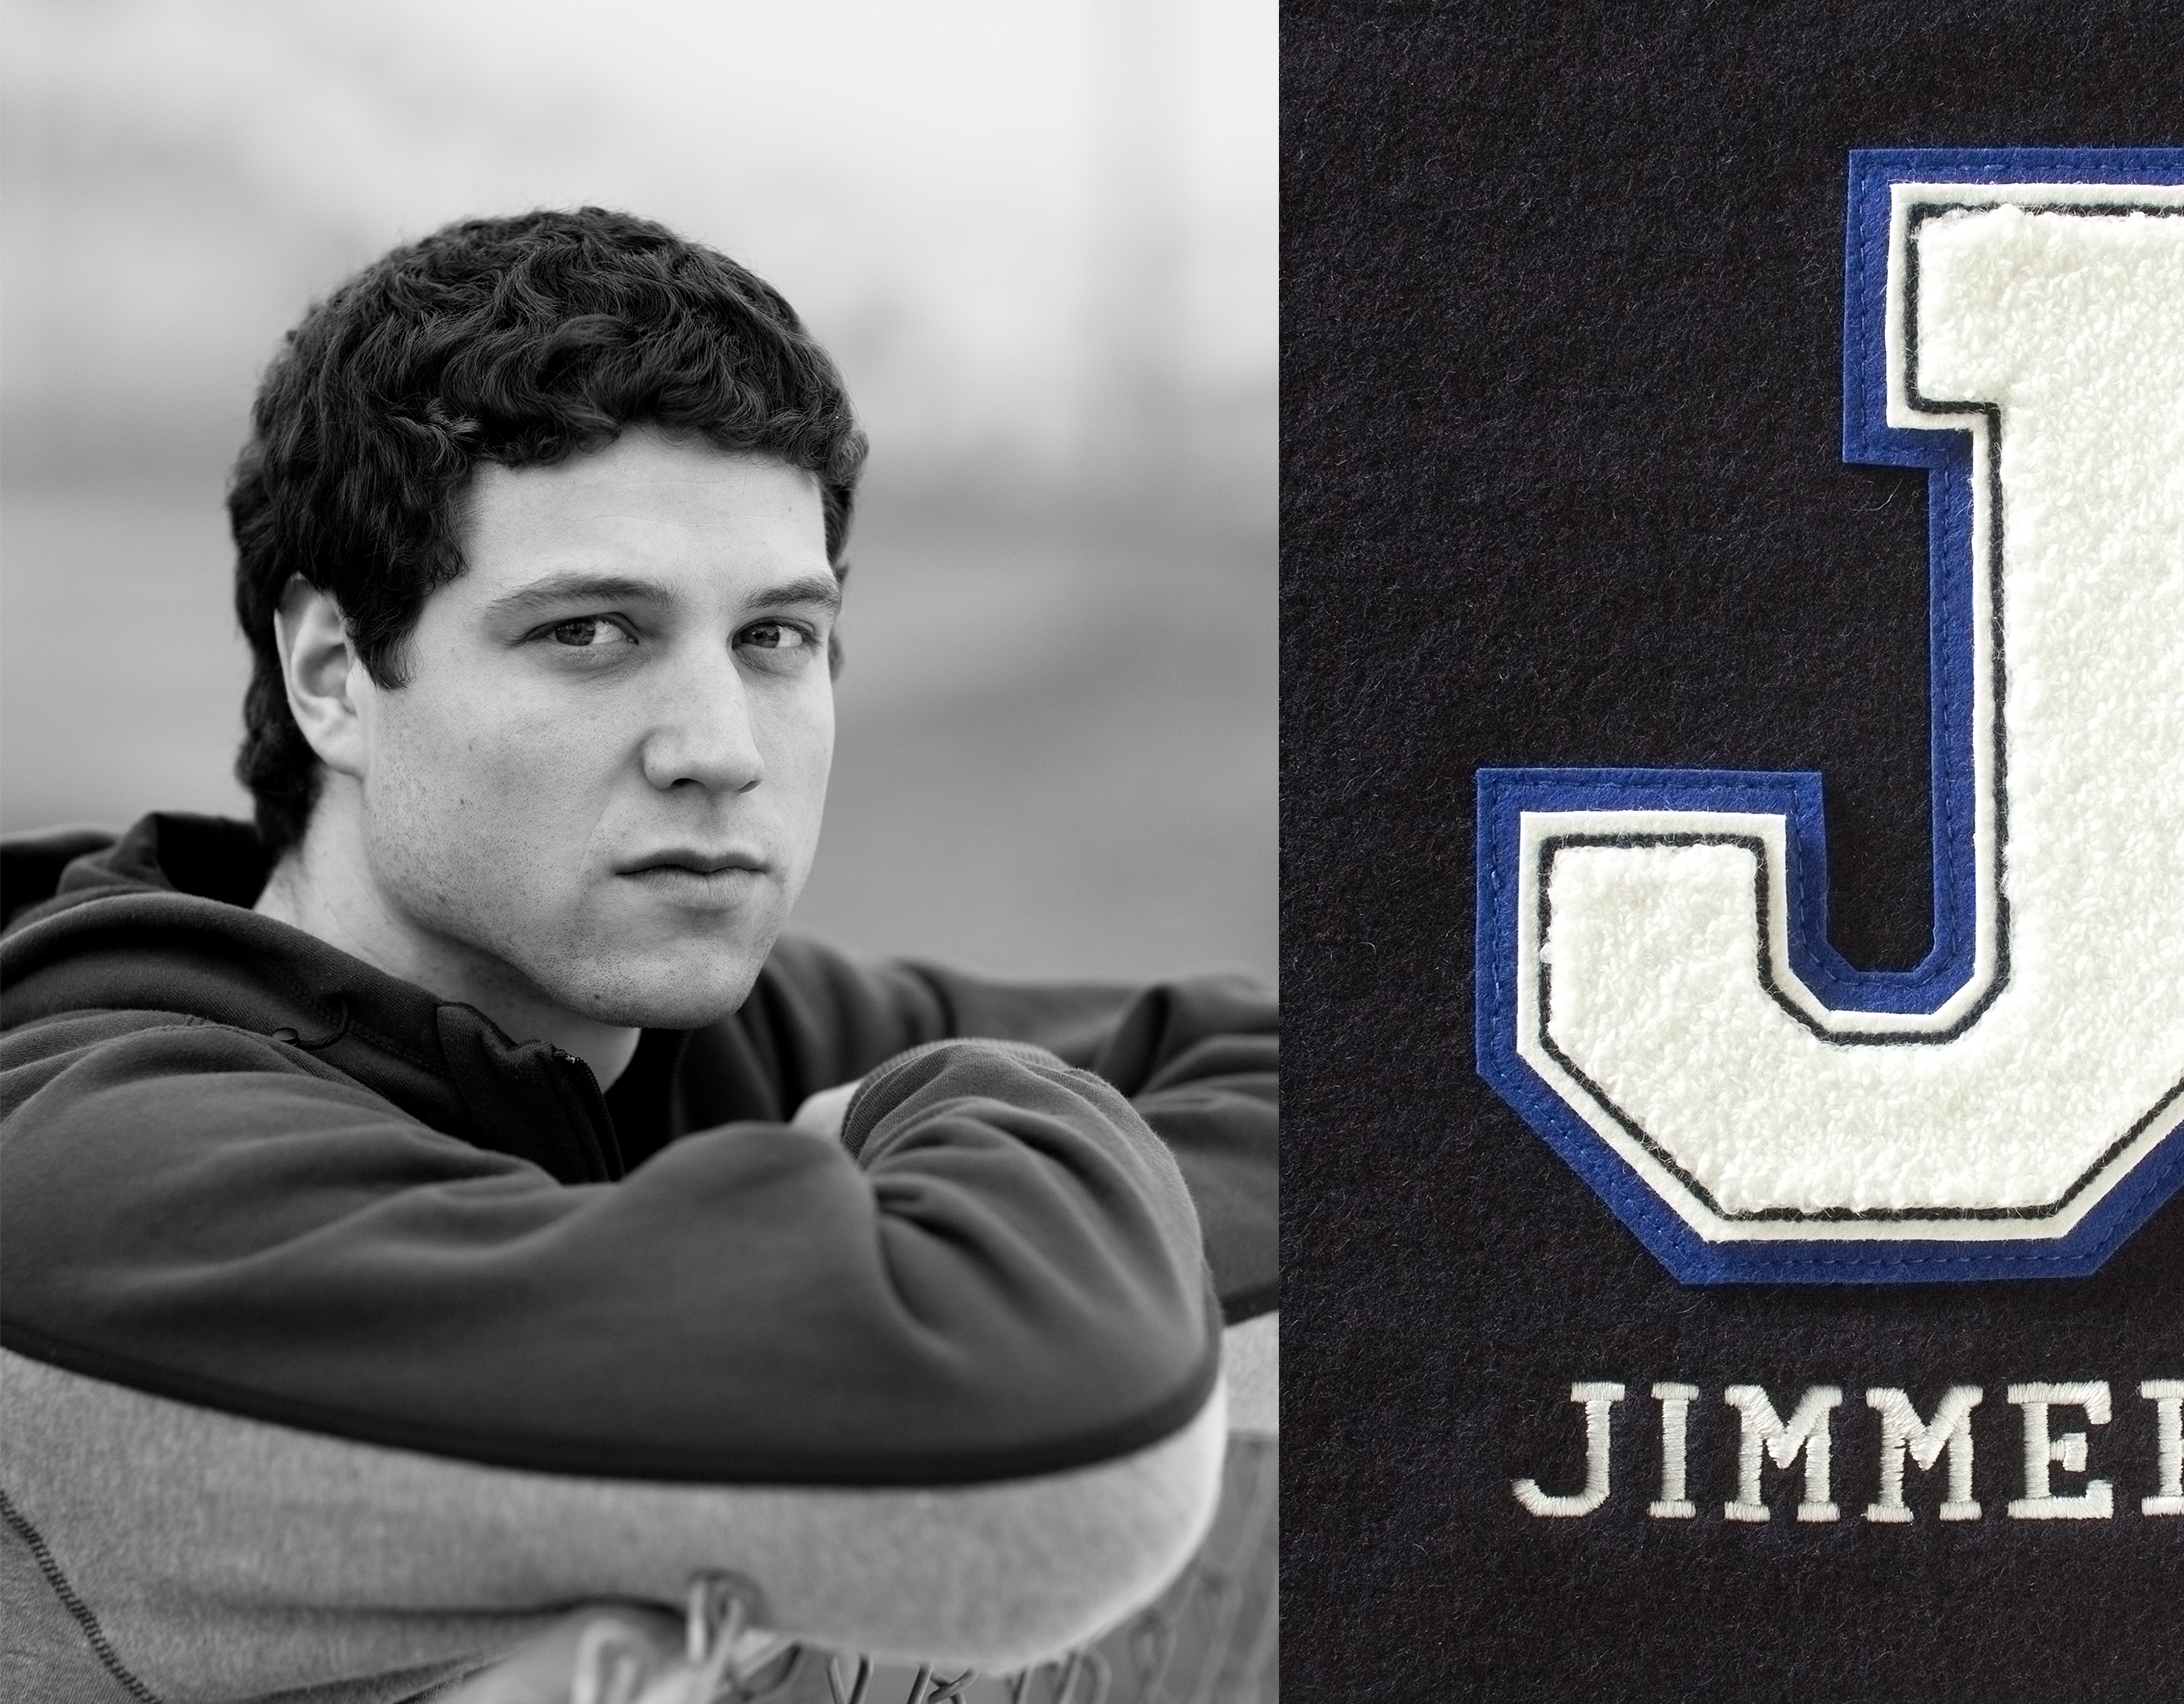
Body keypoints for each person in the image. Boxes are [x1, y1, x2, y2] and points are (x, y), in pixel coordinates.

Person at [0, 208, 1276, 1703]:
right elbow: (1058, 1453)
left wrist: (905, 1159)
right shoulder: (109, 1169)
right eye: (592, 633)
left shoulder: (680, 1038)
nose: (719, 751)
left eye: (778, 639)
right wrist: (934, 1138)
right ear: (336, 674)